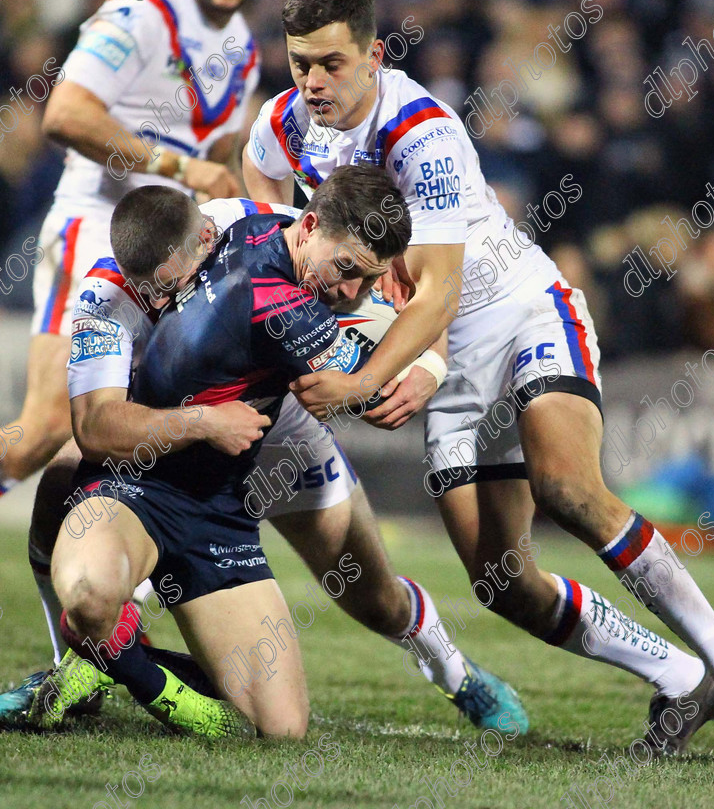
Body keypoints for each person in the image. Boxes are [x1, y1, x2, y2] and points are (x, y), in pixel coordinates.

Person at [241, 0, 714, 754]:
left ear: (371, 53)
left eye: (329, 63)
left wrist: (362, 381)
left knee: (567, 487)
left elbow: (436, 296)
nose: (312, 81)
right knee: (502, 583)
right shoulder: (286, 121)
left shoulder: (419, 131)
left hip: (518, 316)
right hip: (447, 364)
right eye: (300, 63)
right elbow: (259, 181)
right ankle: (679, 678)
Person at [24, 166, 527, 737]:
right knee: (62, 484)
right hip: (170, 439)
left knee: (373, 594)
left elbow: (428, 300)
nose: (172, 298)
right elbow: (96, 425)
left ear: (207, 240)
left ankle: (455, 674)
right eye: (158, 293)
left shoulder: (271, 232)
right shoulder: (108, 294)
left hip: (285, 432)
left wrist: (430, 368)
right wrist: (203, 420)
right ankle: (83, 660)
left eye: (182, 281)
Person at [0, 0, 265, 494]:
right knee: (48, 426)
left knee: (133, 419)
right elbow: (65, 113)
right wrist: (179, 169)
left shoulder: (245, 51)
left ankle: (102, 565)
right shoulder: (138, 16)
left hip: (171, 253)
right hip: (97, 227)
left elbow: (215, 157)